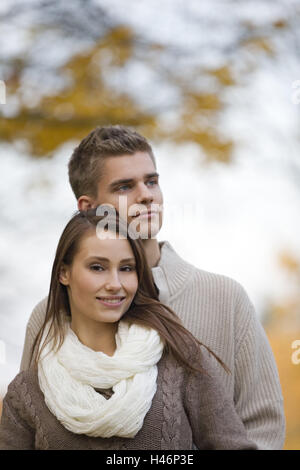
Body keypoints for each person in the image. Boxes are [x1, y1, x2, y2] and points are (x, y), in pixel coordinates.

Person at [19, 126, 285, 449]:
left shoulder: (226, 299)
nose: (146, 195)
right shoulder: (50, 314)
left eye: (152, 181)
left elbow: (264, 429)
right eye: (124, 186)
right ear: (89, 208)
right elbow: (29, 424)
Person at [0, 210, 257, 450]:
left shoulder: (181, 362)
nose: (115, 284)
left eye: (126, 268)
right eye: (97, 267)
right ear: (64, 273)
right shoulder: (28, 393)